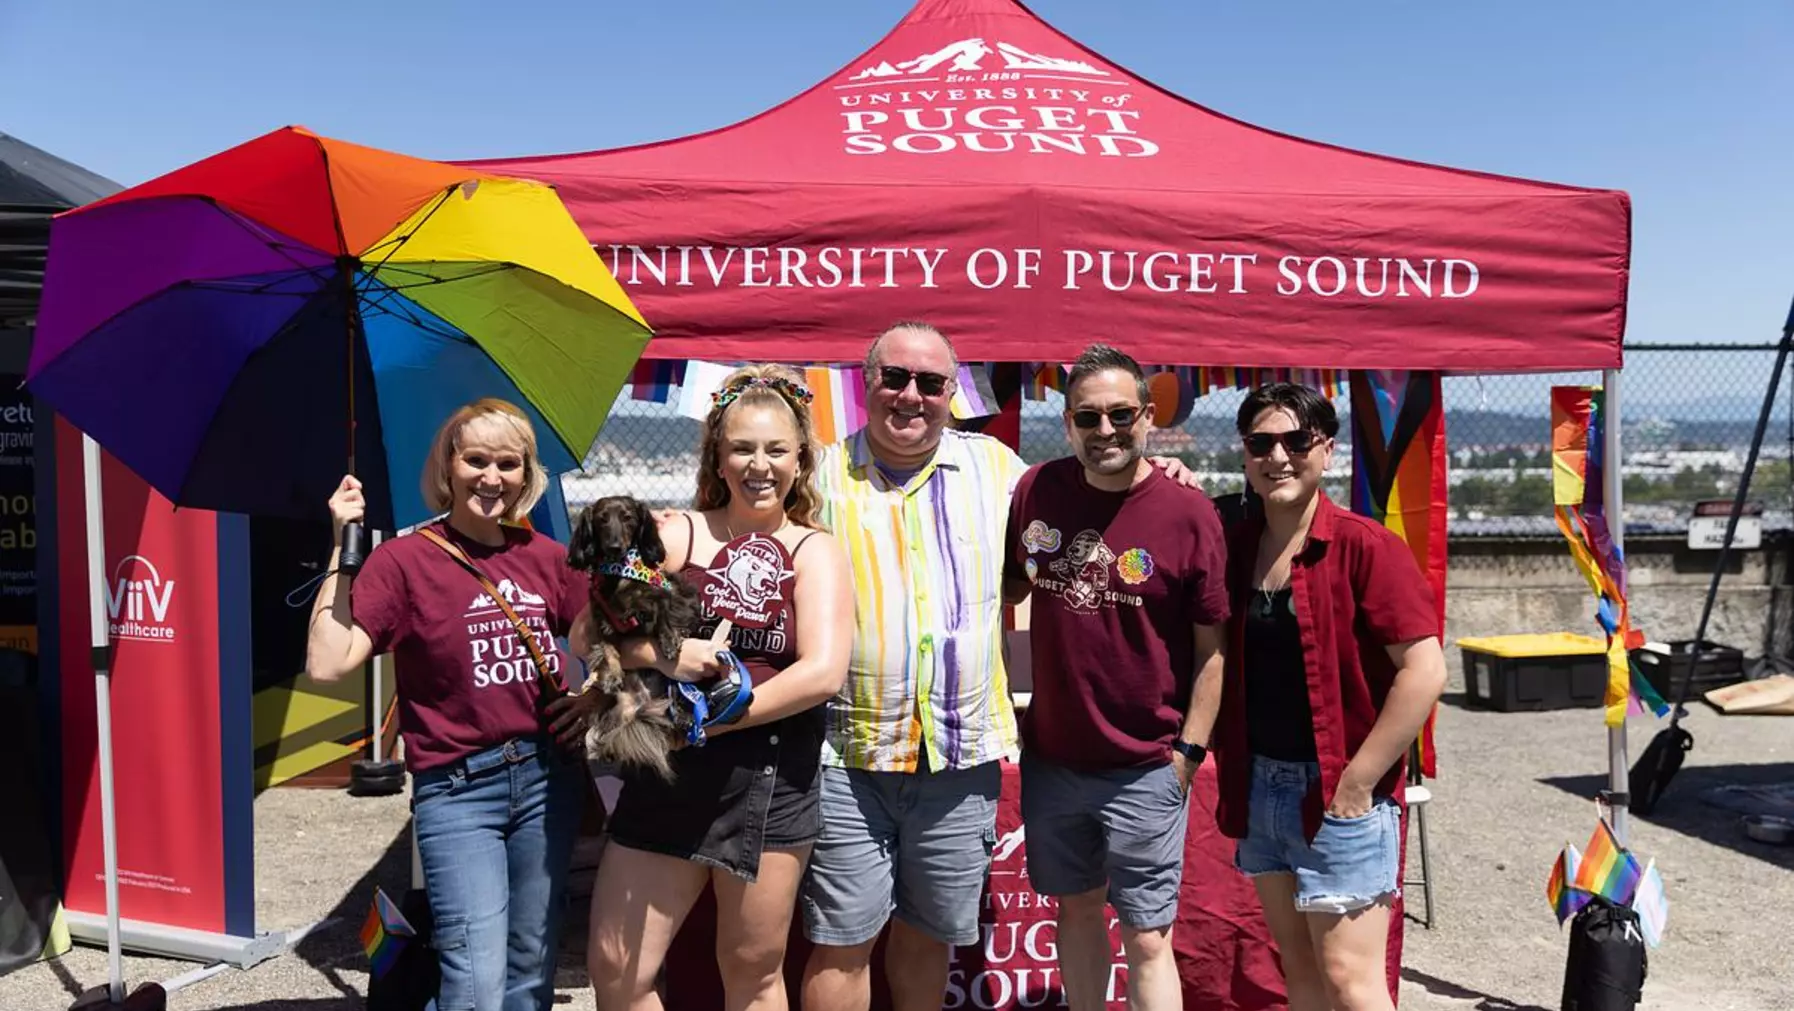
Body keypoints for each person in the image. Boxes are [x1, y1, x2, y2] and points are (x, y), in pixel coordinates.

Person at [801, 323, 1207, 1011]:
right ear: (865, 383)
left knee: (927, 936)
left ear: (952, 392)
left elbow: (1097, 486)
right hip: (849, 754)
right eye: (894, 377)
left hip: (957, 758)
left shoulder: (1000, 471)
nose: (911, 395)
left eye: (931, 382)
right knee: (842, 943)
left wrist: (1160, 471)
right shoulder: (816, 479)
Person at [584, 364, 854, 1011]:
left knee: (751, 968)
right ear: (718, 457)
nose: (759, 465)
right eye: (742, 448)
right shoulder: (677, 532)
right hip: (667, 776)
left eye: (776, 449)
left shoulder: (815, 550)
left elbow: (822, 671)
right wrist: (668, 656)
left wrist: (718, 716)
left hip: (770, 779)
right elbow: (587, 630)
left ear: (799, 459)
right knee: (616, 968)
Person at [306, 398, 590, 1011]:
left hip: (547, 780)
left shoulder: (547, 557)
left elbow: (616, 639)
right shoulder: (404, 561)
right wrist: (340, 546)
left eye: (508, 463)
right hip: (459, 792)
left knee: (530, 969)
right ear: (448, 466)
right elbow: (328, 663)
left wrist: (592, 699)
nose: (492, 477)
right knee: (476, 980)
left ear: (526, 473)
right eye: (476, 460)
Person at [1000, 343, 1229, 1011]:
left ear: (1148, 416)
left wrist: (1188, 753)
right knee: (1075, 913)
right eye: (1088, 416)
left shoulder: (1189, 513)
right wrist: (1010, 704)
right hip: (1055, 760)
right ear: (1067, 422)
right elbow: (1007, 591)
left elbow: (1213, 650)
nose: (1106, 430)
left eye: (1121, 414)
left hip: (1148, 766)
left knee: (1148, 937)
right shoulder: (1036, 490)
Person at [1214, 382, 1446, 1011]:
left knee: (1350, 980)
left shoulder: (1366, 546)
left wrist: (1358, 782)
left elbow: (1424, 670)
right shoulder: (1236, 545)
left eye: (1297, 441)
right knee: (1300, 970)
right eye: (1261, 443)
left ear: (1327, 450)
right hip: (1261, 786)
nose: (1278, 457)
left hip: (1341, 792)